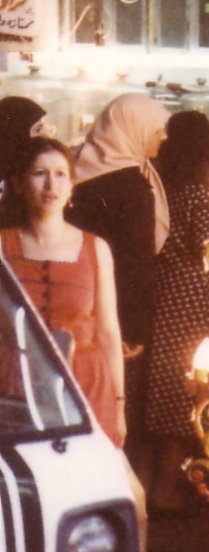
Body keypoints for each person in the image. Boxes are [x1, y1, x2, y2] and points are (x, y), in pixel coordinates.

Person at [0, 138, 125, 444]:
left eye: (60, 174)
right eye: (39, 173)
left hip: (84, 383)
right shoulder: (2, 245)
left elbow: (108, 333)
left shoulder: (96, 248)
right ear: (18, 182)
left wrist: (119, 405)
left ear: (71, 185)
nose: (50, 184)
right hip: (14, 385)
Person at [66, 93, 170, 461]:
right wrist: (135, 329)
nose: (162, 138)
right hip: (115, 318)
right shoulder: (132, 188)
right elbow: (135, 264)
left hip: (76, 305)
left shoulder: (79, 172)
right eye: (156, 130)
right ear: (133, 130)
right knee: (114, 401)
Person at [143, 112, 209, 511]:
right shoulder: (198, 192)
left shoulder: (161, 183)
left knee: (166, 389)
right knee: (192, 388)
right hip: (196, 294)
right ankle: (170, 489)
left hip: (164, 288)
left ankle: (162, 485)